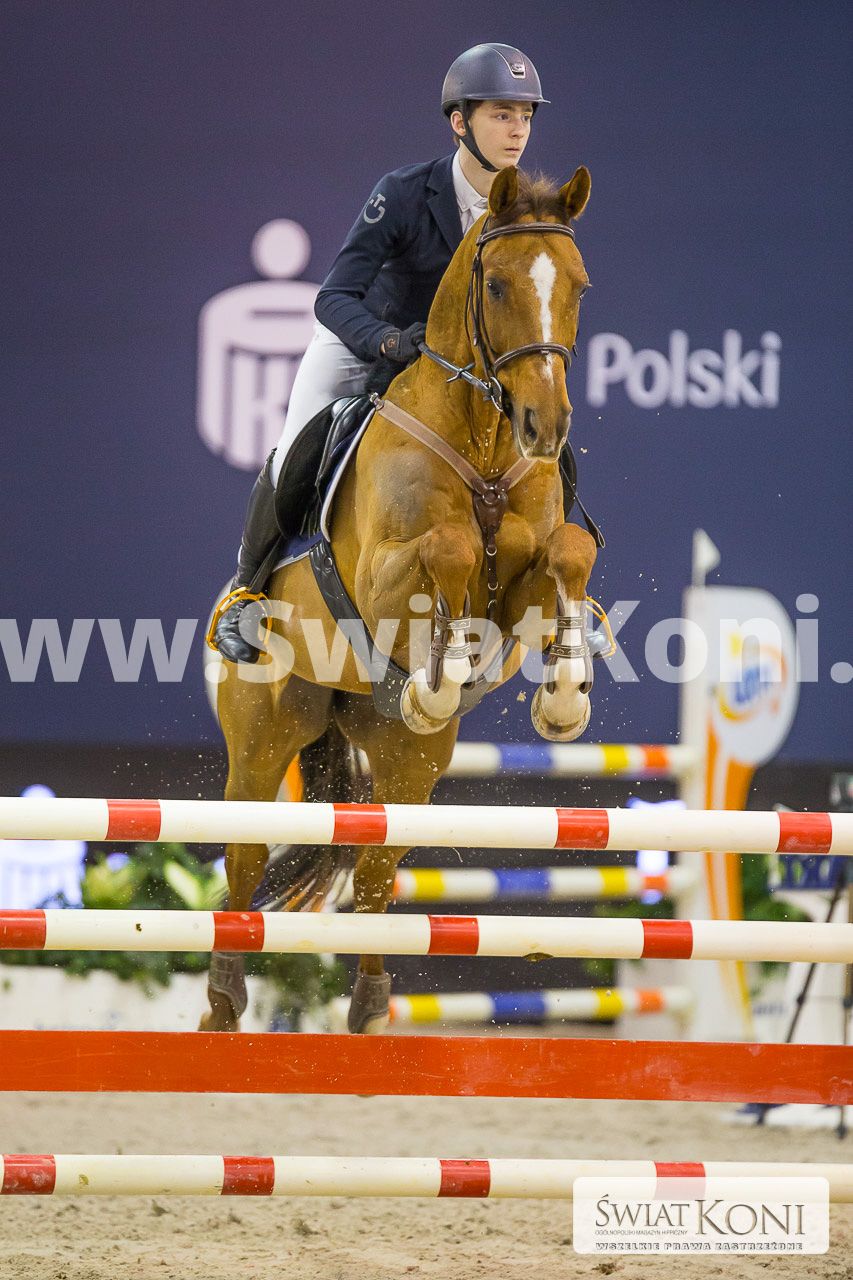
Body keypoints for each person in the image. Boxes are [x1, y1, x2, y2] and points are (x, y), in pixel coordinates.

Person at [214, 43, 548, 662]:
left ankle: (567, 589)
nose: (518, 130)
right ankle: (244, 593)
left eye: (525, 115)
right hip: (367, 344)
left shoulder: (524, 212)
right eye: (502, 114)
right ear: (460, 122)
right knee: (295, 453)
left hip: (455, 369)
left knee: (545, 443)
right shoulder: (403, 193)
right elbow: (333, 297)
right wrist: (388, 340)